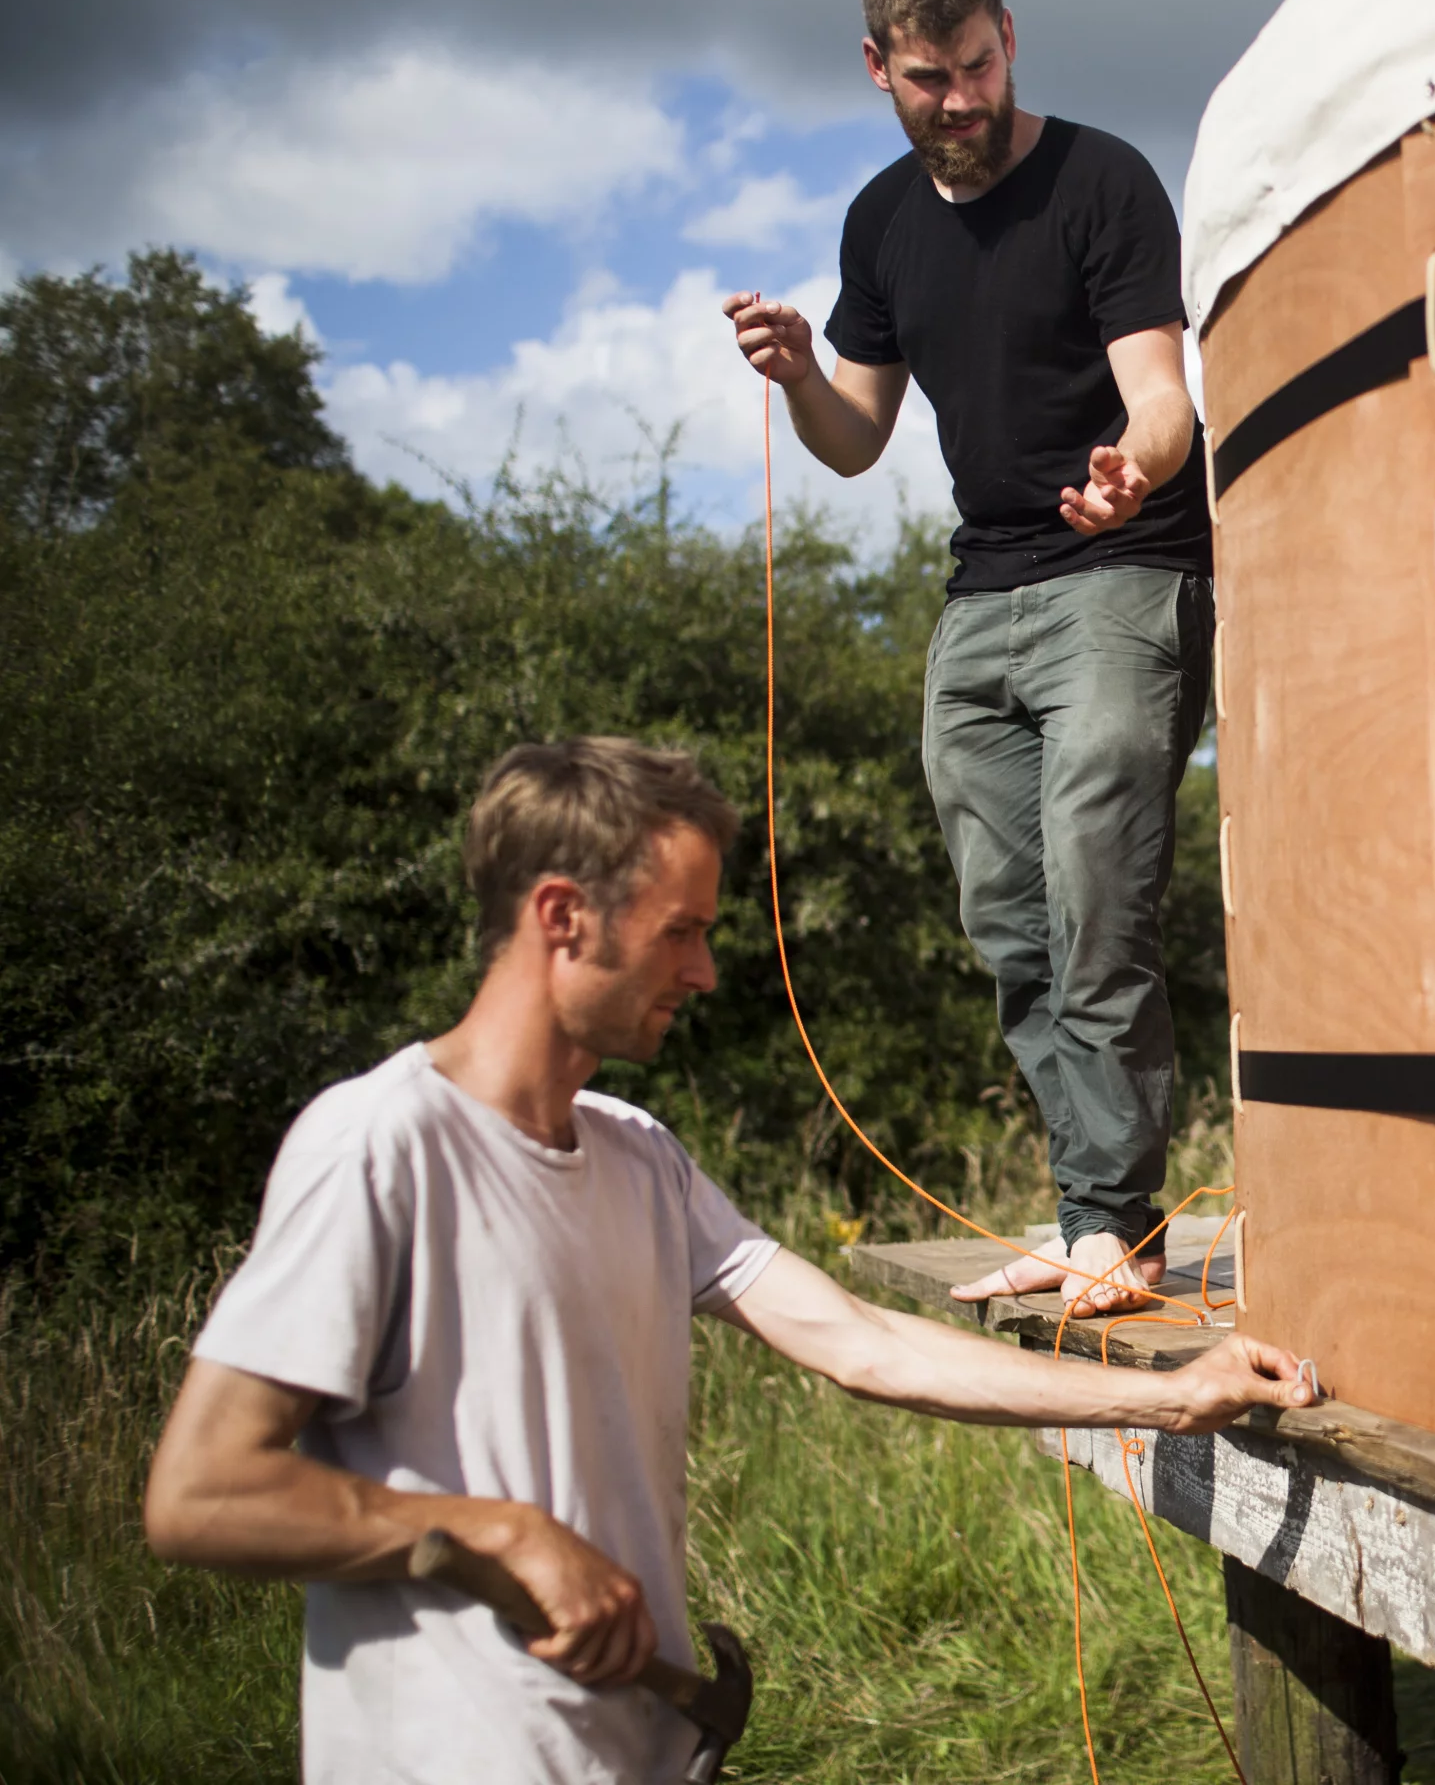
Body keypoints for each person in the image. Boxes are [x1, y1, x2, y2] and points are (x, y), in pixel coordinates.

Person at [142, 738, 1310, 1785]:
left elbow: (862, 1342)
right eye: (682, 933)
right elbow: (204, 1494)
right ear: (563, 917)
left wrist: (1167, 1397)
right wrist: (502, 1531)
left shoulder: (638, 1155)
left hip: (646, 1748)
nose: (703, 974)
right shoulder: (380, 1146)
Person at [724, 0, 1213, 1321]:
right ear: (881, 70)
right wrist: (803, 372)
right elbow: (852, 442)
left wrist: (1141, 464)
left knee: (1095, 888)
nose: (964, 99)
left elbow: (1161, 396)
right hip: (980, 596)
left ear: (1012, 35)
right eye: (932, 78)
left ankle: (1113, 1226)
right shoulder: (880, 224)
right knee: (1009, 921)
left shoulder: (1103, 180)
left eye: (983, 66)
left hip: (1124, 573)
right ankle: (1089, 1213)